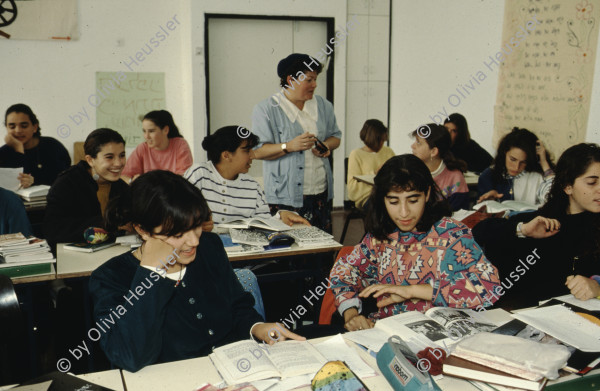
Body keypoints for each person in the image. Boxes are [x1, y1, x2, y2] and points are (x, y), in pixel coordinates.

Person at [89, 170, 304, 372]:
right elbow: (130, 357)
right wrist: (151, 272)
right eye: (179, 233)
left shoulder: (209, 247)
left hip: (237, 370)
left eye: (196, 226)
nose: (193, 241)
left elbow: (237, 305)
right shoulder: (110, 278)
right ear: (142, 230)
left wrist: (258, 327)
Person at [329, 155, 500, 331]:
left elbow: (489, 285)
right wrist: (351, 314)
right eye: (393, 201)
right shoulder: (380, 237)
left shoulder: (451, 235)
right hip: (389, 335)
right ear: (383, 200)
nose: (404, 212)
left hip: (443, 339)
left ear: (426, 194)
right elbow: (344, 272)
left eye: (413, 200)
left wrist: (412, 291)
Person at [473, 143, 600, 307]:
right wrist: (522, 230)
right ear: (568, 186)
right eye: (591, 183)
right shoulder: (542, 221)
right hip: (518, 311)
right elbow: (479, 232)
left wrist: (597, 287)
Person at [252, 53, 342, 233]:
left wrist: (326, 146)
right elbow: (257, 151)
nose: (315, 85)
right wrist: (288, 146)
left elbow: (336, 137)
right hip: (284, 197)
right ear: (291, 80)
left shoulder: (324, 106)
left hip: (320, 191)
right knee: (289, 249)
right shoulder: (267, 109)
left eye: (315, 79)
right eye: (309, 80)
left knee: (320, 249)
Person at [184, 125, 309, 226]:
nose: (252, 155)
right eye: (246, 150)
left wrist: (281, 216)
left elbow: (264, 224)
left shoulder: (252, 186)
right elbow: (176, 212)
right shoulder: (199, 174)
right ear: (226, 155)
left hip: (242, 255)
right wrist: (197, 224)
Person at [43, 128, 128, 249]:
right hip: (73, 256)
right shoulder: (67, 183)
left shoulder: (122, 187)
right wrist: (108, 223)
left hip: (112, 250)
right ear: (90, 160)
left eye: (122, 155)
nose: (119, 163)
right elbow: (53, 231)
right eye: (109, 157)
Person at [477, 127, 555, 206]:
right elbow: (480, 212)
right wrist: (491, 202)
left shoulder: (537, 176)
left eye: (523, 162)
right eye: (512, 159)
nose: (516, 167)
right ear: (504, 152)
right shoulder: (488, 175)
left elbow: (554, 199)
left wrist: (544, 163)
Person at [1, 104, 70, 187]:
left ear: (34, 127)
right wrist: (19, 150)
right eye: (12, 126)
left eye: (24, 126)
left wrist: (35, 181)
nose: (18, 130)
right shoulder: (3, 153)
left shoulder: (52, 146)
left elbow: (63, 179)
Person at [411, 123, 469, 211]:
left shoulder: (455, 177)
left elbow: (459, 214)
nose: (412, 146)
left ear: (433, 151)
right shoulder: (411, 172)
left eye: (418, 142)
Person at [121, 110, 193, 181]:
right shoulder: (142, 148)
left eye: (151, 131)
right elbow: (123, 176)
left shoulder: (180, 145)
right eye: (144, 131)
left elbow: (183, 179)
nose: (146, 136)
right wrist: (131, 180)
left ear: (165, 130)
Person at [347, 119, 395, 209]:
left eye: (383, 140)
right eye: (380, 140)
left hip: (389, 194)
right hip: (367, 197)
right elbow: (352, 190)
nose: (382, 144)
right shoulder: (356, 154)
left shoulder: (388, 151)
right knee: (385, 207)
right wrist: (375, 174)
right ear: (371, 139)